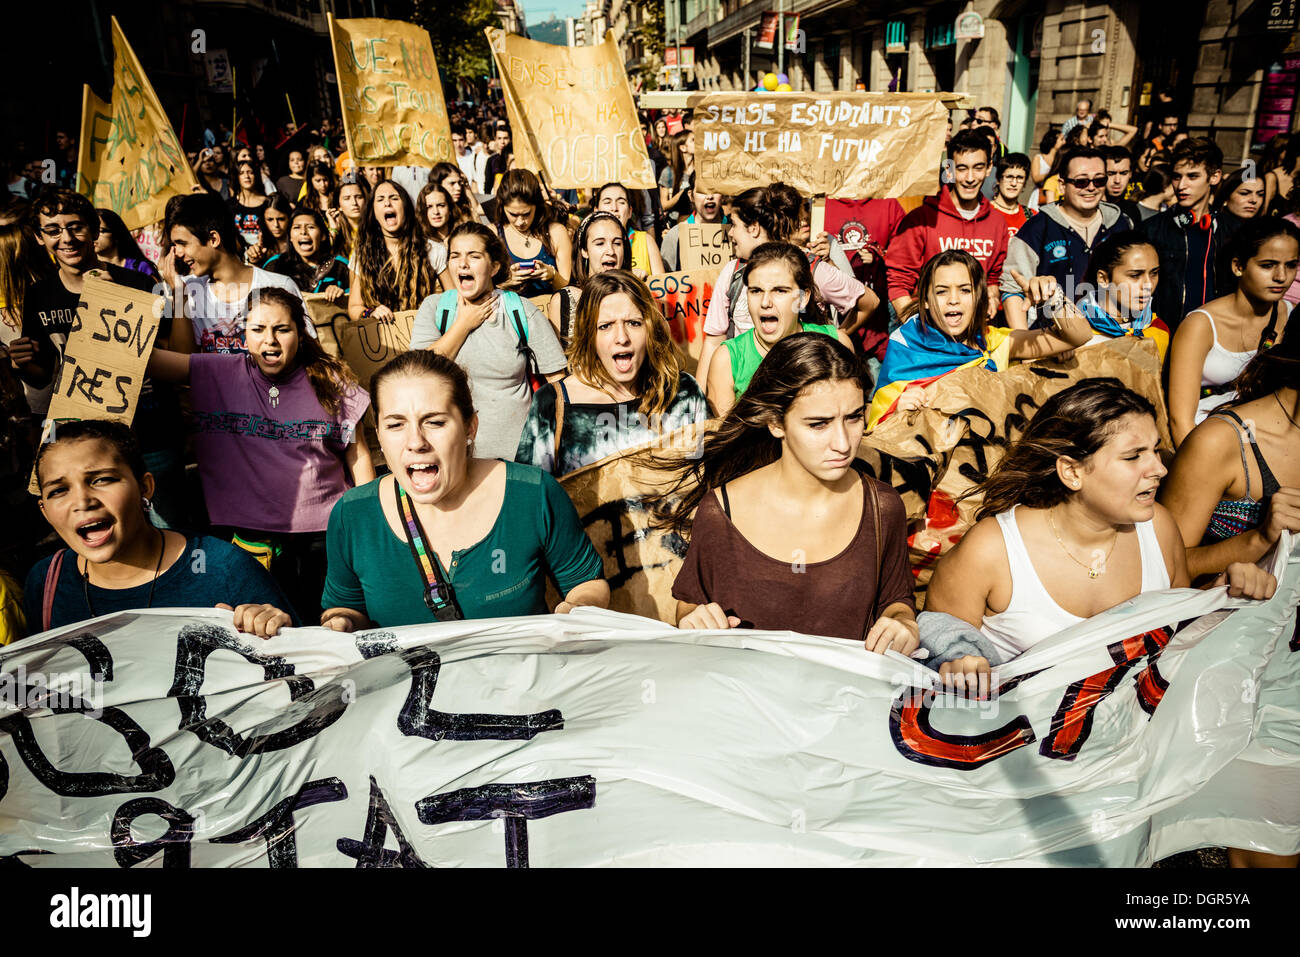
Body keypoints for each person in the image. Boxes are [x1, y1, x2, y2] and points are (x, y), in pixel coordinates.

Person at [926, 379, 1274, 692]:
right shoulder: (991, 551)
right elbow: (937, 654)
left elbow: (1176, 644)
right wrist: (956, 667)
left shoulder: (1159, 529)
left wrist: (1220, 593)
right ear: (1072, 471)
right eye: (1133, 456)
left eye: (1154, 450)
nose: (1159, 469)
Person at [658, 333, 918, 648]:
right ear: (776, 423)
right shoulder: (721, 511)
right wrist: (695, 619)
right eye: (818, 424)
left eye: (853, 418)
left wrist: (903, 623)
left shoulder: (883, 507)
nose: (843, 443)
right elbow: (689, 605)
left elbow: (896, 600)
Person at [320, 350, 607, 629]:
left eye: (434, 422)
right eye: (396, 425)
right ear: (379, 436)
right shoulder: (353, 514)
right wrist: (341, 622)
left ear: (470, 427)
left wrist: (579, 608)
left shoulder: (533, 493)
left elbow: (586, 582)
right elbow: (345, 607)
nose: (416, 442)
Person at [147, 287, 373, 622]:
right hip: (247, 540)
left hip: (324, 536)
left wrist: (366, 521)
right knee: (266, 632)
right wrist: (104, 298)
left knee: (329, 626)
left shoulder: (331, 380)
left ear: (300, 331)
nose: (271, 340)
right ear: (243, 334)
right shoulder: (217, 372)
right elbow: (143, 358)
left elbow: (359, 457)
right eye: (258, 330)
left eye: (282, 329)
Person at [27, 420, 296, 636]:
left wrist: (272, 627)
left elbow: (306, 674)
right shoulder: (47, 581)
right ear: (44, 511)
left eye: (102, 479)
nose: (82, 501)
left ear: (145, 487)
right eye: (59, 490)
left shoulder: (222, 568)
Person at [516, 270, 709, 475]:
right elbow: (531, 495)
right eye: (606, 326)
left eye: (633, 323)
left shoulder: (683, 392)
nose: (622, 338)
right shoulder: (552, 404)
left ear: (650, 329)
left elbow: (709, 476)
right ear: (588, 335)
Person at [870, 251, 1093, 427]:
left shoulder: (992, 343)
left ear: (979, 298)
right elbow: (877, 425)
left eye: (965, 290)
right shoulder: (906, 346)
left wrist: (1053, 297)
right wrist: (897, 413)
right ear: (925, 300)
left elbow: (1078, 336)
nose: (953, 300)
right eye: (941, 292)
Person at [409, 222, 567, 460]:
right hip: (450, 461)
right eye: (455, 256)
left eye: (473, 256)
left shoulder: (520, 312)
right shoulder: (434, 308)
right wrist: (463, 324)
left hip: (518, 460)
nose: (462, 264)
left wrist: (553, 446)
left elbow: (558, 384)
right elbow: (418, 372)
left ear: (494, 266)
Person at [698, 183, 876, 380]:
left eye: (734, 225)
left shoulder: (810, 269)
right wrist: (699, 405)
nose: (730, 233)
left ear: (754, 228)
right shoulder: (733, 273)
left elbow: (869, 303)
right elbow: (713, 341)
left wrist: (832, 338)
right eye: (755, 291)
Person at [1166, 217, 1298, 444]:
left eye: (1291, 265)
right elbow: (1180, 420)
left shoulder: (1290, 314)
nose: (1281, 277)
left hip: (1266, 440)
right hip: (1205, 440)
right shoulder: (1200, 325)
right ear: (1238, 266)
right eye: (1267, 265)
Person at [706, 242, 854, 414]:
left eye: (780, 291)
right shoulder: (728, 360)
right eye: (756, 291)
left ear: (802, 298)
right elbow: (727, 434)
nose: (765, 302)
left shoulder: (836, 344)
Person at [1001, 146, 1134, 329]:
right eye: (1081, 182)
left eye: (1099, 180)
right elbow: (1013, 289)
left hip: (1110, 339)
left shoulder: (1121, 225)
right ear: (1062, 185)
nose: (1091, 187)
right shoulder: (1037, 227)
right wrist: (1025, 349)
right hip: (1052, 342)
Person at [886, 129, 1008, 320]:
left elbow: (993, 277)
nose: (970, 178)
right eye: (961, 168)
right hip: (927, 331)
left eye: (978, 167)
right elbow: (898, 282)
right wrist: (917, 329)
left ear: (989, 168)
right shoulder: (922, 219)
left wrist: (992, 297)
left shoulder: (997, 222)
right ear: (949, 169)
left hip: (974, 334)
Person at [166, 193, 303, 355]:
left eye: (182, 243)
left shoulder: (280, 286)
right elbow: (182, 365)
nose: (178, 253)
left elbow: (307, 356)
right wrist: (180, 297)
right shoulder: (187, 291)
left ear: (213, 239)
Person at [1141, 137, 1226, 331]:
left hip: (1215, 336)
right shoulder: (1150, 230)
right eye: (1177, 177)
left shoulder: (1231, 231)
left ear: (1214, 177)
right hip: (1162, 334)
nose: (1181, 186)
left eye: (1193, 176)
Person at [347, 179, 441, 321]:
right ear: (373, 212)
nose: (387, 203)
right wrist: (370, 313)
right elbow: (354, 308)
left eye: (394, 198)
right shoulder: (363, 254)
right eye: (380, 199)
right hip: (385, 340)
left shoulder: (433, 250)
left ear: (406, 206)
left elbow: (454, 299)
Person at [1075, 231, 1170, 362]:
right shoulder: (1071, 330)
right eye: (1135, 275)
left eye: (1154, 273)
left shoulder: (1158, 330)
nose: (1148, 284)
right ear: (1103, 279)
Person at [547, 211, 628, 345]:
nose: (611, 251)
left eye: (617, 243)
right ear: (584, 251)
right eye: (600, 243)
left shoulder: (635, 293)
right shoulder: (565, 301)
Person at [493, 169, 571, 298]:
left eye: (526, 214)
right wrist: (505, 282)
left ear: (537, 205)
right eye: (513, 214)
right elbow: (481, 289)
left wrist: (552, 275)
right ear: (502, 206)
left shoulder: (556, 232)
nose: (520, 222)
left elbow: (567, 290)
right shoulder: (493, 234)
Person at [263, 208, 351, 299]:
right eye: (297, 227)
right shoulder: (275, 264)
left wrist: (341, 294)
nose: (303, 232)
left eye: (310, 227)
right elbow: (256, 300)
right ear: (290, 237)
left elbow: (357, 303)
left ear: (323, 236)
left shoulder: (341, 266)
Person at [595, 182, 665, 275]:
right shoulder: (589, 242)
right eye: (607, 202)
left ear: (630, 212)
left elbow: (660, 284)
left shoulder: (646, 241)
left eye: (621, 202)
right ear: (596, 211)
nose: (614, 208)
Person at [660, 184, 726, 272]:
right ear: (691, 196)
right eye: (702, 191)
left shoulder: (736, 232)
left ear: (723, 194)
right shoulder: (675, 236)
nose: (710, 196)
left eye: (715, 190)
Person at [93, 208, 160, 283]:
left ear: (116, 233)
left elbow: (158, 292)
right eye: (91, 230)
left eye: (100, 231)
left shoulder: (141, 267)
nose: (94, 236)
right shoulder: (90, 271)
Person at [416, 180, 460, 288]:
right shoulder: (420, 243)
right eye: (429, 207)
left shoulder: (462, 236)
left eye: (441, 205)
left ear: (449, 208)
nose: (436, 212)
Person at [1214, 165, 1266, 250]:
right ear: (1226, 198)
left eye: (1260, 194)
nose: (1254, 200)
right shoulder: (1212, 228)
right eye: (1244, 193)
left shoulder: (1264, 231)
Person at [228, 160, 271, 250]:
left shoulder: (267, 203)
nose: (246, 176)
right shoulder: (229, 205)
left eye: (250, 172)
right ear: (237, 177)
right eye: (241, 173)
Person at [989, 152, 1032, 240]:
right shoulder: (984, 211)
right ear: (998, 179)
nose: (1013, 183)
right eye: (1009, 177)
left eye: (1019, 178)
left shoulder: (1032, 216)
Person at [244, 194, 293, 266]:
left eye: (281, 219)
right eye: (270, 220)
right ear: (263, 220)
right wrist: (254, 261)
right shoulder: (261, 247)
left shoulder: (297, 244)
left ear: (289, 218)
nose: (276, 225)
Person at [659, 130, 695, 225]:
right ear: (683, 148)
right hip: (676, 223)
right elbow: (663, 205)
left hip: (697, 222)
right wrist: (683, 194)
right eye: (693, 140)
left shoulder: (700, 170)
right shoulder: (668, 172)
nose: (697, 142)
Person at [1101, 146, 1144, 225]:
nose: (1117, 180)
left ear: (1130, 174)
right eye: (1111, 174)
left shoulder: (1132, 211)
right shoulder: (1090, 208)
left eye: (1123, 173)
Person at [335, 172, 370, 259]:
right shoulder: (335, 233)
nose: (354, 203)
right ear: (339, 205)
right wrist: (333, 232)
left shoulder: (376, 229)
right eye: (347, 198)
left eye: (358, 197)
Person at [484, 124, 513, 195]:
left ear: (510, 139)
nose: (502, 142)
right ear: (495, 139)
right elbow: (488, 185)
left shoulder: (515, 158)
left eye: (505, 138)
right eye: (499, 138)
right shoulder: (491, 160)